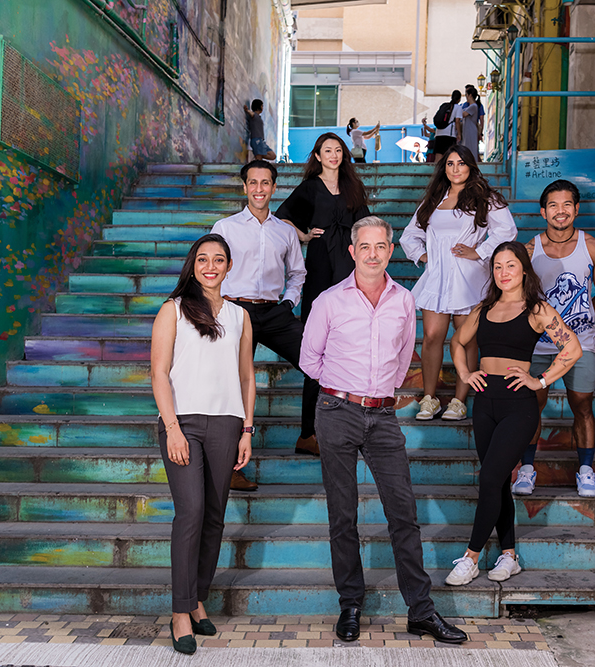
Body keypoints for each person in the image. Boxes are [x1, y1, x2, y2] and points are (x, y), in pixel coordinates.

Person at [300, 217, 468, 645]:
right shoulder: (329, 301)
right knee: (344, 515)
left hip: (384, 416)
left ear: (390, 251)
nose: (373, 254)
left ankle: (421, 611)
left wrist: (382, 392)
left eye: (381, 246)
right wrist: (342, 391)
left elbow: (402, 356)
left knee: (403, 514)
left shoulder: (404, 300)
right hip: (337, 411)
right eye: (365, 246)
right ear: (353, 251)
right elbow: (309, 359)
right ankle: (350, 605)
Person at [445, 241, 581, 586]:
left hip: (518, 404)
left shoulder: (537, 309)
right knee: (498, 480)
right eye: (498, 267)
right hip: (484, 401)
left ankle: (471, 557)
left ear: (524, 269)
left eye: (510, 266)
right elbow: (457, 342)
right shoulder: (484, 308)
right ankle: (509, 556)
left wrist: (541, 380)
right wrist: (464, 373)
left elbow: (572, 348)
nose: (503, 273)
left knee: (489, 478)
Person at [150, 234, 255, 655]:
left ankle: (196, 599)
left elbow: (246, 376)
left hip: (228, 424)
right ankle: (179, 612)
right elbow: (159, 373)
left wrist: (247, 429)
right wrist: (172, 427)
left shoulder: (241, 317)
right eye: (203, 259)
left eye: (218, 259)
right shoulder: (172, 311)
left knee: (214, 517)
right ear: (192, 264)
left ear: (229, 266)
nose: (210, 266)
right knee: (190, 512)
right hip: (184, 423)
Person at [513, 179, 595, 498]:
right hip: (538, 345)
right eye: (554, 205)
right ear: (543, 211)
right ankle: (527, 469)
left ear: (577, 209)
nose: (561, 211)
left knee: (582, 405)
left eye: (567, 205)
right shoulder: (529, 250)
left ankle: (586, 471)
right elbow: (515, 294)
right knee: (531, 406)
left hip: (580, 345)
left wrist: (582, 320)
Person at [400, 144, 517, 422]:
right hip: (437, 278)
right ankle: (429, 399)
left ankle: (459, 400)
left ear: (471, 166)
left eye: (461, 163)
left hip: (469, 277)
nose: (455, 169)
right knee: (431, 337)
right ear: (445, 168)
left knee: (466, 339)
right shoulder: (434, 198)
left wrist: (481, 252)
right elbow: (409, 235)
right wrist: (424, 255)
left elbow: (507, 230)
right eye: (450, 164)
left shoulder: (485, 198)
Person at [211, 160, 310, 475]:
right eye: (253, 183)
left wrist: (288, 302)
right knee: (232, 383)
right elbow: (209, 271)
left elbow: (297, 273)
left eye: (265, 183)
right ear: (244, 187)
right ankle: (230, 469)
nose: (259, 189)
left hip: (273, 311)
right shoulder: (225, 228)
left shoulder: (285, 231)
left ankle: (309, 435)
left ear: (273, 187)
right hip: (235, 310)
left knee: (317, 361)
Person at [276, 133, 372, 454]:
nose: (333, 155)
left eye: (338, 150)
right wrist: (303, 235)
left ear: (344, 155)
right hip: (319, 266)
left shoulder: (352, 188)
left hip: (349, 267)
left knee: (347, 348)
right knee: (316, 350)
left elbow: (367, 225)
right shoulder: (309, 188)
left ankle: (343, 429)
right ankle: (308, 434)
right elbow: (281, 218)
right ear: (317, 156)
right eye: (327, 150)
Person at [432, 90, 464, 163]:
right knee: (449, 157)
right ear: (459, 99)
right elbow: (457, 121)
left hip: (439, 134)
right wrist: (459, 134)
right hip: (449, 135)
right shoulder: (457, 107)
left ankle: (436, 173)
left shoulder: (444, 105)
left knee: (438, 157)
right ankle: (445, 173)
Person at [459, 86, 485, 161]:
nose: (466, 97)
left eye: (466, 95)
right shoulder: (471, 106)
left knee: (470, 149)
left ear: (470, 95)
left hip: (471, 131)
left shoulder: (473, 106)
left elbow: (463, 114)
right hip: (467, 130)